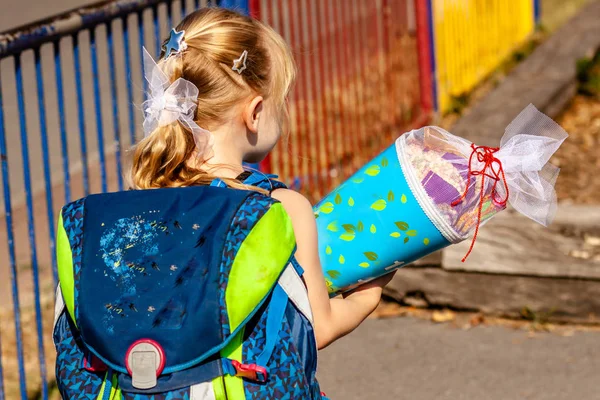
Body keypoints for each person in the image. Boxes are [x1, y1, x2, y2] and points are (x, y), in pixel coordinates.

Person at [54, 7, 394, 399]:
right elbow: (318, 328)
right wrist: (372, 293)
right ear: (254, 112)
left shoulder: (128, 215)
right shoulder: (280, 208)